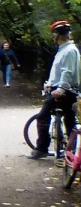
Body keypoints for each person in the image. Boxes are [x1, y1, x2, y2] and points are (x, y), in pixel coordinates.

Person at [29, 20, 80, 159]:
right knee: (69, 120)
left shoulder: (69, 51)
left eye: (54, 34)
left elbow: (67, 72)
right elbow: (58, 71)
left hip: (65, 91)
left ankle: (42, 148)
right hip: (61, 88)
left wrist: (61, 88)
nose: (53, 38)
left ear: (59, 35)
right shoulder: (64, 50)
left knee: (43, 116)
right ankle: (71, 152)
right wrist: (49, 83)